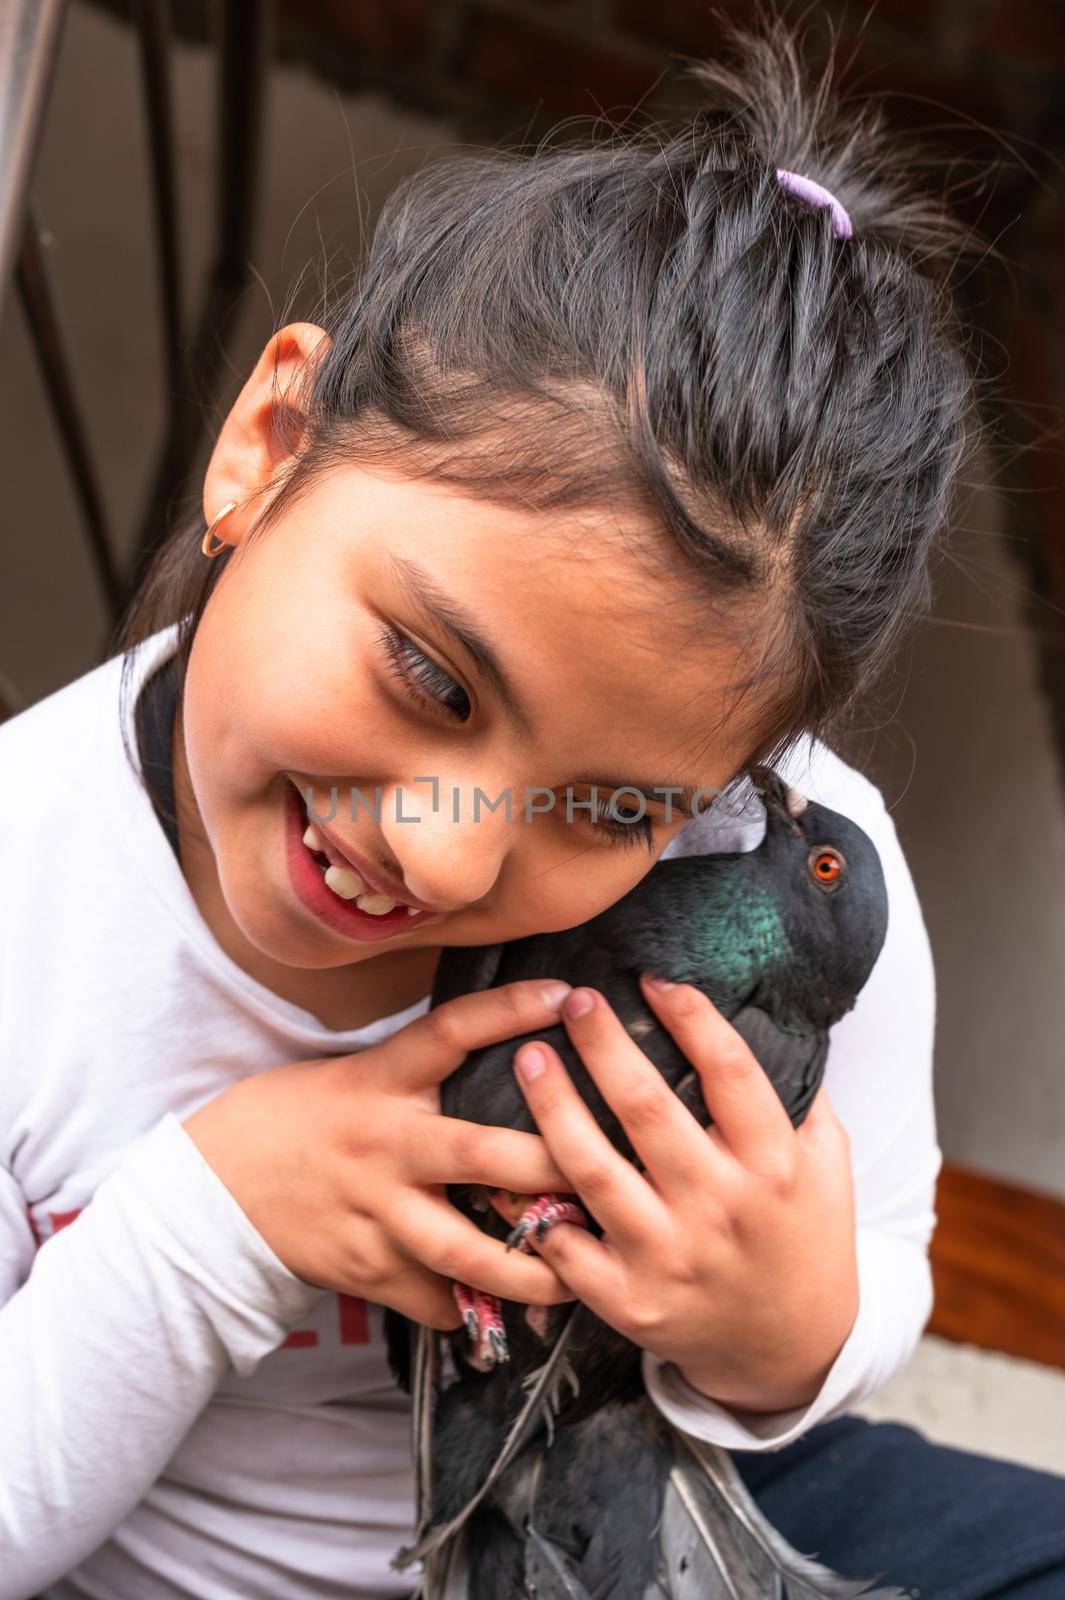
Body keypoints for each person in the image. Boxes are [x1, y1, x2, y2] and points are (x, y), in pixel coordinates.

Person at [1, 17, 1062, 1600]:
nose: (443, 847)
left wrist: (777, 1323)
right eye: (432, 679)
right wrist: (210, 1221)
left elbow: (880, 1260)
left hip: (646, 1497)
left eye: (611, 803)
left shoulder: (793, 874)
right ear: (269, 448)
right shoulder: (29, 893)